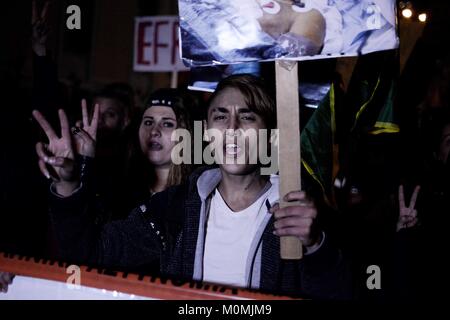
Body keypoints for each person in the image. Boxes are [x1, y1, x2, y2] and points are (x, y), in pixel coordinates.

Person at [33, 74, 351, 299]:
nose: (232, 129)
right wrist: (69, 186)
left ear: (270, 132)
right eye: (220, 116)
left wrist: (315, 246)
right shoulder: (175, 206)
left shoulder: (299, 209)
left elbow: (338, 293)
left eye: (248, 117)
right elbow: (91, 254)